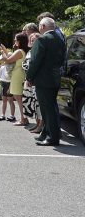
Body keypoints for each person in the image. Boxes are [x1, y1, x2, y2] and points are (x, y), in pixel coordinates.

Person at [26, 17, 67, 146]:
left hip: (43, 79)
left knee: (48, 109)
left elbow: (35, 61)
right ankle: (46, 133)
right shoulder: (60, 39)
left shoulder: (43, 39)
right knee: (50, 108)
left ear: (43, 26)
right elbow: (62, 59)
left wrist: (29, 77)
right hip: (54, 78)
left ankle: (52, 138)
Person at [0, 33, 30, 126]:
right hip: (19, 73)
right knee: (18, 97)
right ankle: (24, 118)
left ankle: (23, 119)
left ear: (20, 41)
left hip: (17, 74)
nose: (14, 41)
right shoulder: (23, 50)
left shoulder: (19, 51)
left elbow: (7, 60)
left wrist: (1, 52)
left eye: (16, 40)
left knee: (18, 98)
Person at [23, 33, 43, 133]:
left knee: (38, 104)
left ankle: (41, 125)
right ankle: (37, 124)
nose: (31, 41)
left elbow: (35, 67)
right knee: (34, 104)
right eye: (30, 39)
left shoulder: (39, 51)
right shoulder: (30, 51)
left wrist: (30, 79)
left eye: (34, 39)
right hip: (29, 81)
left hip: (35, 81)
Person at [0, 56, 16, 121]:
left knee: (10, 100)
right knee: (4, 100)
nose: (0, 61)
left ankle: (12, 116)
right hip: (3, 83)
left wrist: (10, 88)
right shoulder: (2, 67)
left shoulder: (10, 67)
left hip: (8, 83)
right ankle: (3, 115)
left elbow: (12, 78)